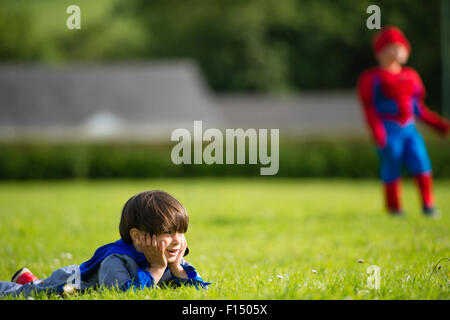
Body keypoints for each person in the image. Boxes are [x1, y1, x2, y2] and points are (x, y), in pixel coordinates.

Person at [0, 190, 209, 297]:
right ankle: (26, 283)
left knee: (35, 285)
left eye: (181, 232)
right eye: (168, 232)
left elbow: (199, 291)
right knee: (31, 292)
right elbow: (123, 296)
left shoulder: (172, 260)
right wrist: (157, 269)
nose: (177, 240)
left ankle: (28, 278)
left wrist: (177, 268)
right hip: (69, 282)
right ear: (137, 236)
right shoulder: (116, 261)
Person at [357, 26, 449, 216]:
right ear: (381, 52)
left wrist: (441, 126)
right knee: (392, 164)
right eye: (393, 47)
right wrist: (378, 132)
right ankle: (394, 208)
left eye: (401, 47)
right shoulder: (372, 78)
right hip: (389, 130)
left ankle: (428, 204)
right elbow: (370, 110)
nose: (399, 51)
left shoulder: (411, 77)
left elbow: (419, 109)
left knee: (421, 161)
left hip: (409, 129)